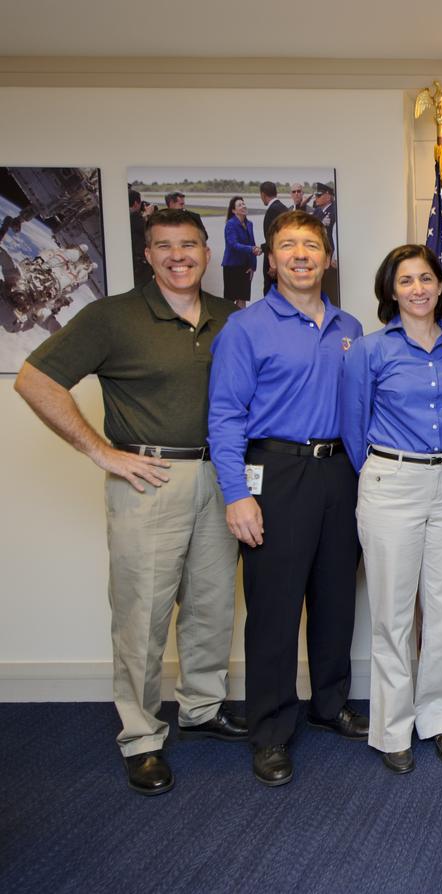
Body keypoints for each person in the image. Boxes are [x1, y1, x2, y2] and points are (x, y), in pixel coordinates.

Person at [14, 209, 243, 796]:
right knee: (142, 615)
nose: (177, 256)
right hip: (149, 480)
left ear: (207, 250)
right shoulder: (111, 316)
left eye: (188, 244)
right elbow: (35, 380)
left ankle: (200, 708)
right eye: (164, 246)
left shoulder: (230, 317)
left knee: (212, 608)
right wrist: (101, 451)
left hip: (220, 477)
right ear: (148, 254)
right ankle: (141, 737)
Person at [208, 209, 367, 787]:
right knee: (274, 608)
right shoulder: (246, 327)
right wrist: (236, 495)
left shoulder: (350, 327)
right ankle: (270, 729)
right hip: (273, 472)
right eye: (287, 246)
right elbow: (224, 417)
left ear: (327, 258)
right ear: (269, 259)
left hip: (340, 473)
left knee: (335, 598)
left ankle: (329, 705)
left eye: (312, 245)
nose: (301, 254)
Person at [338, 244, 442, 774]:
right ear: (391, 290)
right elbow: (353, 429)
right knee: (394, 615)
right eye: (406, 280)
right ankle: (392, 728)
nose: (418, 288)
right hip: (392, 481)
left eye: (426, 278)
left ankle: (440, 718)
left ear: (441, 286)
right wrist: (386, 474)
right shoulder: (370, 350)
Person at [220, 196, 258, 308]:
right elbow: (233, 245)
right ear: (233, 210)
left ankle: (241, 323)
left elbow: (252, 244)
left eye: (243, 204)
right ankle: (227, 323)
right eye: (239, 205)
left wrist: (253, 266)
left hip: (245, 267)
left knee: (243, 299)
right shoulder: (230, 224)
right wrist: (251, 249)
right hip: (232, 266)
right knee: (230, 300)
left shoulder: (249, 224)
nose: (243, 206)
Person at [258, 181, 288, 296]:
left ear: (263, 194)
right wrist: (262, 247)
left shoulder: (273, 211)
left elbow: (274, 240)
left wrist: (273, 264)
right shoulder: (283, 208)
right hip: (283, 260)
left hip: (274, 262)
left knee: (271, 293)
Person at [311, 183, 339, 301]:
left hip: (330, 257)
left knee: (330, 292)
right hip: (317, 256)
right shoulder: (318, 211)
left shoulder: (334, 211)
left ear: (328, 196)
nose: (315, 198)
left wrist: (335, 256)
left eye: (319, 195)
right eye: (315, 196)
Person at [128, 189, 153, 287]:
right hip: (140, 265)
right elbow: (150, 232)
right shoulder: (134, 217)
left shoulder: (125, 216)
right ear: (135, 203)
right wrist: (147, 215)